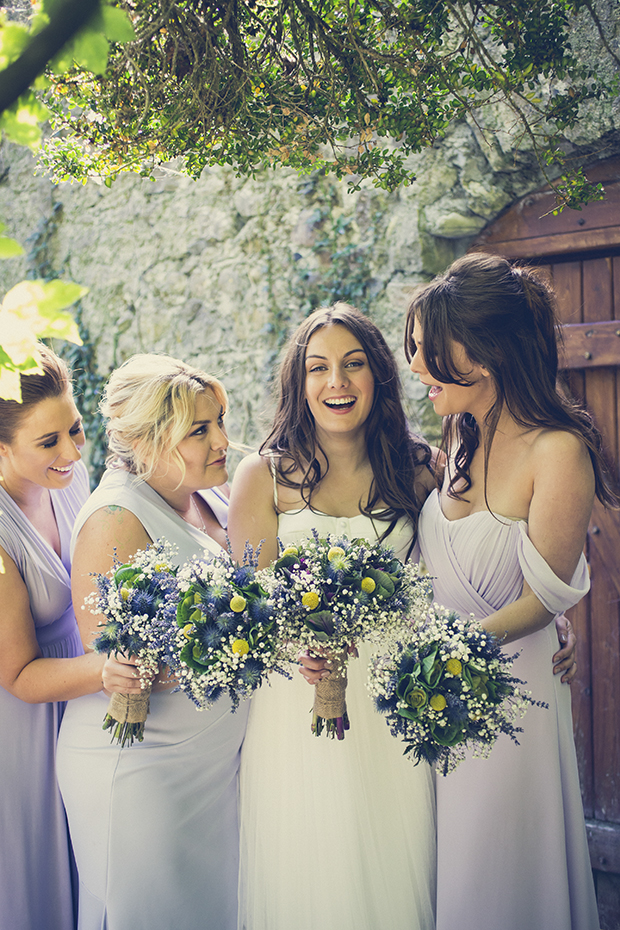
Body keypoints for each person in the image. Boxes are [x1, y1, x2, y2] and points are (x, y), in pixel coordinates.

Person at [406, 252, 617, 930]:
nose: (416, 367)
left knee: (492, 873)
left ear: (487, 353)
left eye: (431, 351)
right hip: (435, 688)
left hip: (508, 691)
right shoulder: (460, 432)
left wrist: (453, 646)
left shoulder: (558, 451)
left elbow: (548, 593)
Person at [229, 303, 439, 930]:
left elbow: (457, 574)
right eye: (318, 369)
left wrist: (554, 619)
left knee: (398, 852)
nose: (337, 383)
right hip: (299, 694)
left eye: (353, 365)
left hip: (393, 693)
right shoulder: (262, 476)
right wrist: (298, 647)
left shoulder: (421, 467)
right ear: (299, 384)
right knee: (308, 861)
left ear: (378, 375)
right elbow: (250, 603)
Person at [56, 354, 248, 930]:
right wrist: (243, 644)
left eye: (218, 421)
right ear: (146, 440)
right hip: (140, 770)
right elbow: (114, 660)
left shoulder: (204, 493)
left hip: (208, 771)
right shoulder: (115, 518)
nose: (222, 440)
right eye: (199, 429)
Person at [0, 345, 104, 930]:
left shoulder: (71, 480)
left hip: (81, 699)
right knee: (38, 870)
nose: (71, 451)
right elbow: (16, 675)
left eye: (75, 429)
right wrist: (111, 667)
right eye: (48, 442)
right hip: (23, 724)